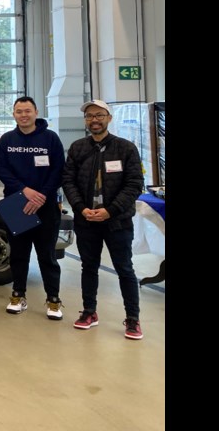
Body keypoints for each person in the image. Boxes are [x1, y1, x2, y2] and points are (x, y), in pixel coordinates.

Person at [62, 100, 146, 340]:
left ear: (109, 118)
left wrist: (111, 210)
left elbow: (134, 184)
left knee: (124, 269)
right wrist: (80, 208)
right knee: (88, 267)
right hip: (87, 220)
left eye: (99, 115)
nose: (94, 120)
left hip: (117, 221)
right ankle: (89, 311)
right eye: (89, 116)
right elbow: (68, 181)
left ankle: (132, 318)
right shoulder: (78, 148)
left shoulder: (125, 148)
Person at [0, 96, 65, 320]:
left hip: (45, 205)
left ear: (36, 112)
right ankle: (18, 295)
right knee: (19, 254)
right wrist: (24, 191)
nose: (23, 115)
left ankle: (53, 300)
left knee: (47, 255)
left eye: (27, 111)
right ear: (14, 114)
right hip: (16, 203)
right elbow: (2, 170)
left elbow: (58, 170)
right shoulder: (7, 140)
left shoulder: (50, 138)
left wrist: (42, 195)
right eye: (19, 111)